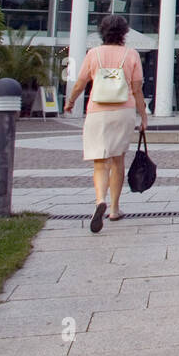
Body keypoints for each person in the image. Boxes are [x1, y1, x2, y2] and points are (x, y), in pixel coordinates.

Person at [65, 15, 147, 233]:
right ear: (124, 33)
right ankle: (114, 208)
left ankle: (100, 199)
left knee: (100, 162)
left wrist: (71, 102)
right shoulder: (131, 55)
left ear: (102, 32)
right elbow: (137, 90)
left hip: (97, 111)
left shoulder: (93, 54)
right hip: (123, 111)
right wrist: (144, 116)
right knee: (118, 160)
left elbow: (80, 83)